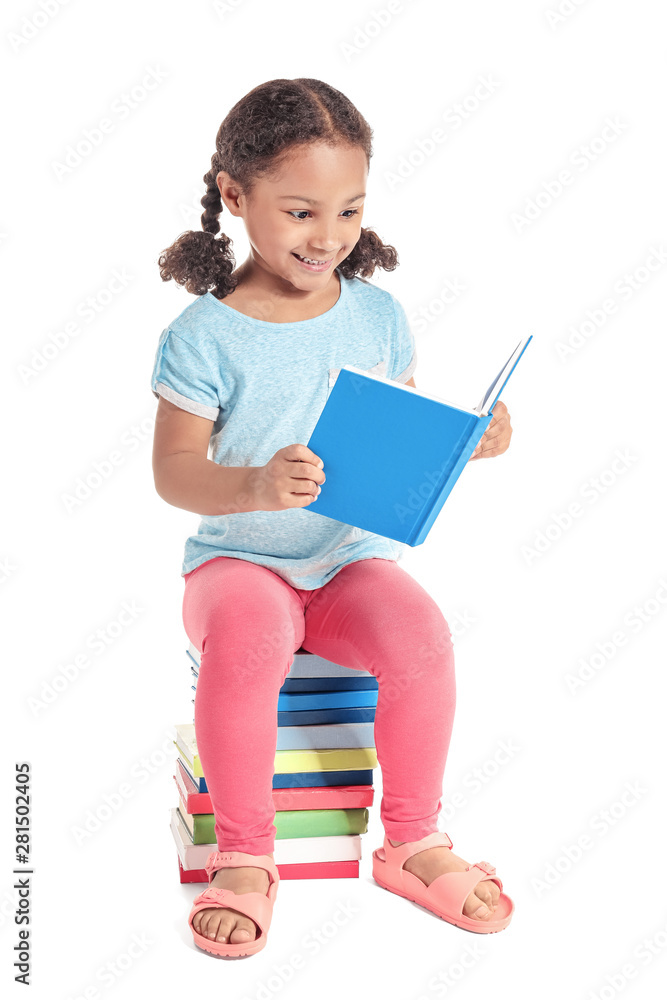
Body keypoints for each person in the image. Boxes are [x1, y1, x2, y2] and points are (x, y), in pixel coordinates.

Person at [151, 78, 515, 958]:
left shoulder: (378, 314)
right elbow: (173, 473)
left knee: (423, 636)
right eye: (301, 212)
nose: (329, 237)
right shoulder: (203, 336)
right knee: (247, 640)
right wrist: (251, 488)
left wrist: (466, 442)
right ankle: (242, 853)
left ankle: (411, 840)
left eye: (349, 210)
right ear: (235, 198)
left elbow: (398, 428)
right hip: (238, 561)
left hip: (346, 559)